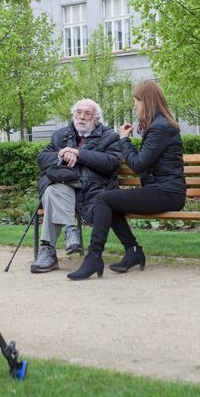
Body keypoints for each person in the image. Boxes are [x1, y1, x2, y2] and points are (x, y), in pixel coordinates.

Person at [68, 80, 186, 280]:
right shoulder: (159, 125)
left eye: (136, 101)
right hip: (161, 190)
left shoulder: (160, 127)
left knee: (103, 199)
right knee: (108, 202)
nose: (135, 105)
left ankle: (94, 256)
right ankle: (132, 251)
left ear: (146, 101)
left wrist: (123, 139)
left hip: (167, 193)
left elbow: (138, 164)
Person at [32, 99, 123, 274]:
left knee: (52, 192)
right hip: (65, 188)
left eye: (87, 113)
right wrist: (62, 153)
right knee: (53, 190)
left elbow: (112, 162)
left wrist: (79, 154)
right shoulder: (61, 135)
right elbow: (42, 158)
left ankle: (49, 250)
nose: (81, 117)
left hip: (92, 191)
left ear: (96, 118)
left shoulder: (109, 137)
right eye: (78, 112)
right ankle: (70, 230)